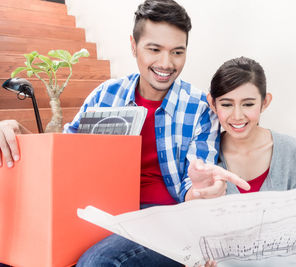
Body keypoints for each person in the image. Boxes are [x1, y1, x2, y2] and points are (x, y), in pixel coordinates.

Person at [0, 1, 248, 266]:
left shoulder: (199, 108)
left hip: (165, 218)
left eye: (177, 52)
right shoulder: (106, 94)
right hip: (101, 212)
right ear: (133, 46)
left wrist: (199, 190)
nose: (166, 63)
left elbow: (194, 185)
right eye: (154, 49)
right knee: (14, 251)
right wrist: (17, 132)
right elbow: (64, 152)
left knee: (98, 262)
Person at [189, 56, 296, 267]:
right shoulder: (204, 158)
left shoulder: (290, 150)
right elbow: (196, 233)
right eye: (226, 104)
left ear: (265, 102)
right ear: (212, 103)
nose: (237, 115)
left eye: (248, 104)